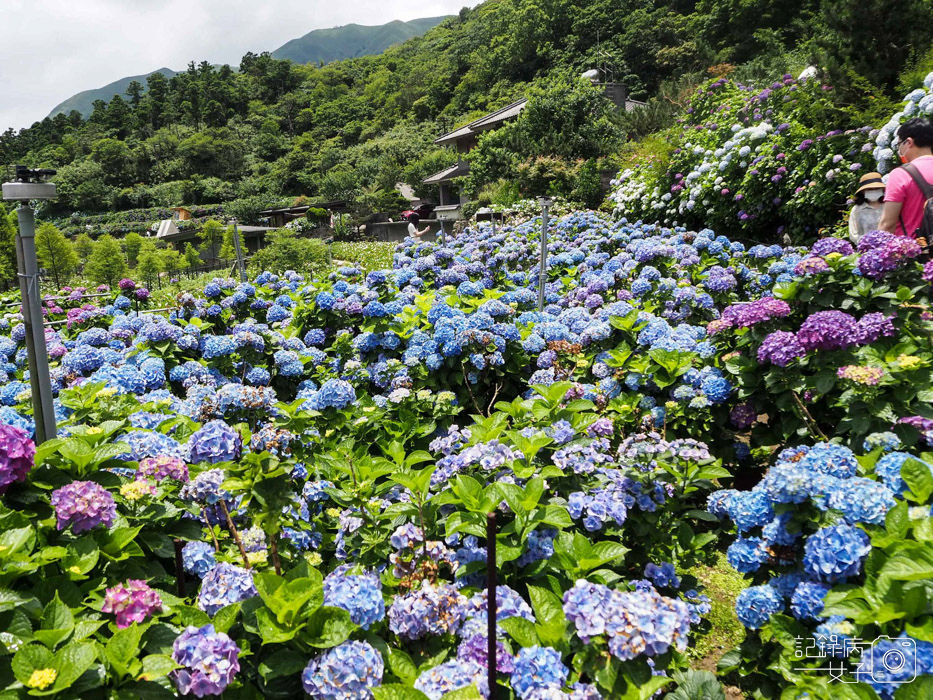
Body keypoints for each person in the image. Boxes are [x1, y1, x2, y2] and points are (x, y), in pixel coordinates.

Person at [879, 117, 933, 238]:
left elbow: (888, 224)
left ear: (909, 142)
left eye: (899, 144)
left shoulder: (901, 174)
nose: (899, 150)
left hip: (915, 252)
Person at [848, 172, 885, 244]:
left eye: (877, 188)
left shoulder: (888, 207)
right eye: (870, 189)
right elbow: (853, 234)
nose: (874, 191)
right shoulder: (857, 210)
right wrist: (867, 243)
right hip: (866, 250)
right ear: (862, 191)